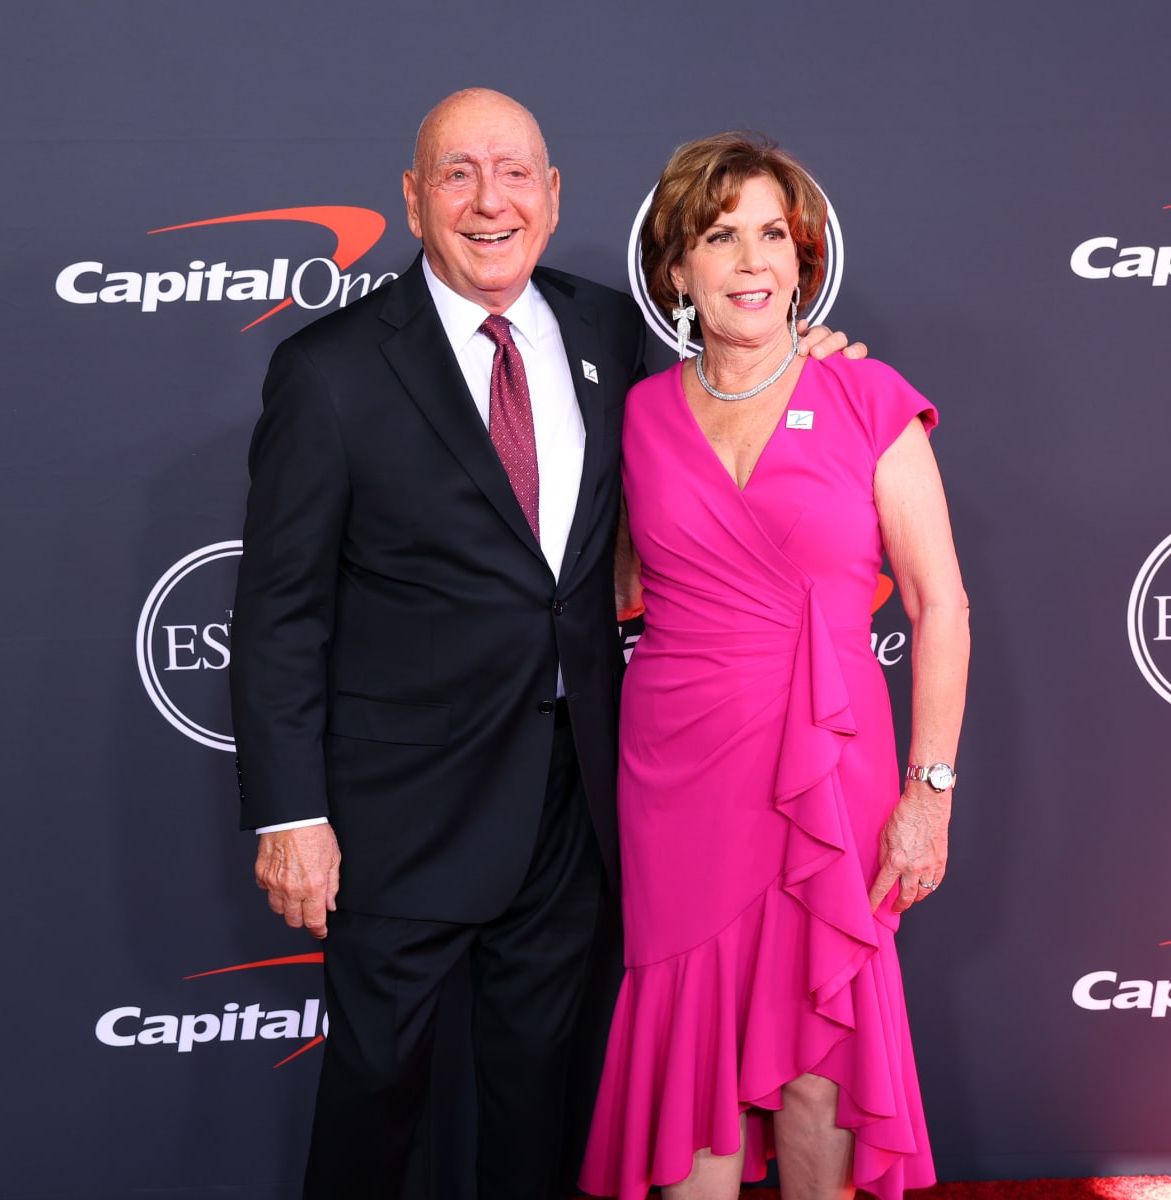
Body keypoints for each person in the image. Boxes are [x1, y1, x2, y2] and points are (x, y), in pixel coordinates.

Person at [230, 91, 858, 1200]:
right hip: (399, 818)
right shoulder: (329, 370)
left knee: (540, 1104)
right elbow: (279, 612)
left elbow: (724, 416)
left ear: (554, 196)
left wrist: (805, 361)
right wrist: (291, 815)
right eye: (459, 174)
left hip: (577, 805)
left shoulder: (609, 331)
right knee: (377, 1098)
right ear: (413, 199)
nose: (491, 201)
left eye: (515, 173)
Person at [579, 133, 969, 1200]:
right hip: (678, 773)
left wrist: (929, 793)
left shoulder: (867, 396)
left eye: (772, 237)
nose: (750, 261)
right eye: (719, 237)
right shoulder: (638, 415)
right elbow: (611, 589)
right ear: (677, 268)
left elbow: (940, 606)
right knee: (691, 1048)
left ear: (802, 262)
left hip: (830, 766)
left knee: (818, 1056)